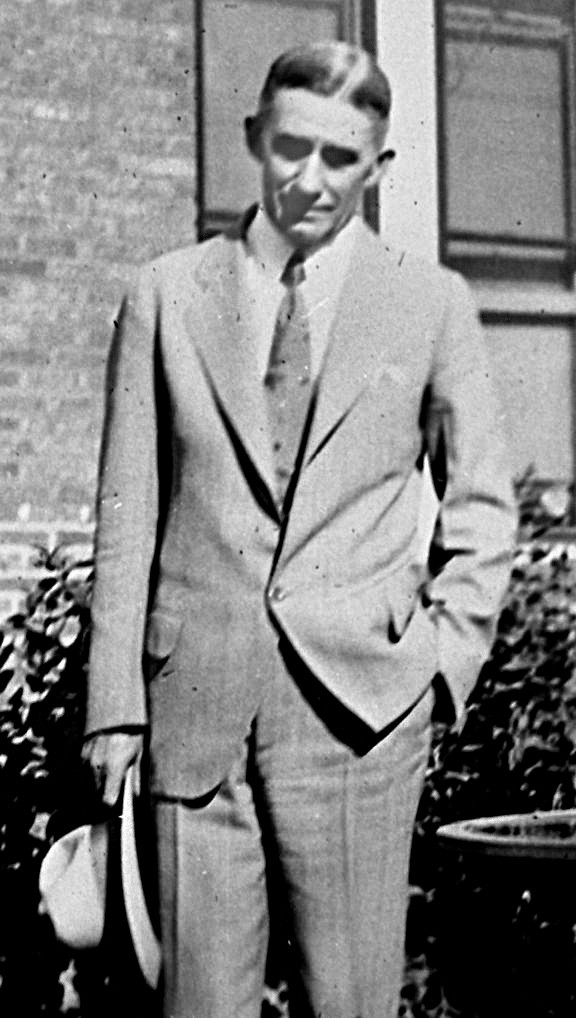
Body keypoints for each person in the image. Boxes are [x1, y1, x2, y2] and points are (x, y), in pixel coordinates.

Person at [82, 41, 517, 1018]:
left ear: (379, 167)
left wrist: (438, 668)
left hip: (359, 717)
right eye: (290, 148)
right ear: (254, 138)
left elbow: (483, 507)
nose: (309, 179)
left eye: (340, 157)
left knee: (351, 1004)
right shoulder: (166, 296)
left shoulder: (430, 305)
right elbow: (125, 512)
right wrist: (114, 706)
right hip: (194, 712)